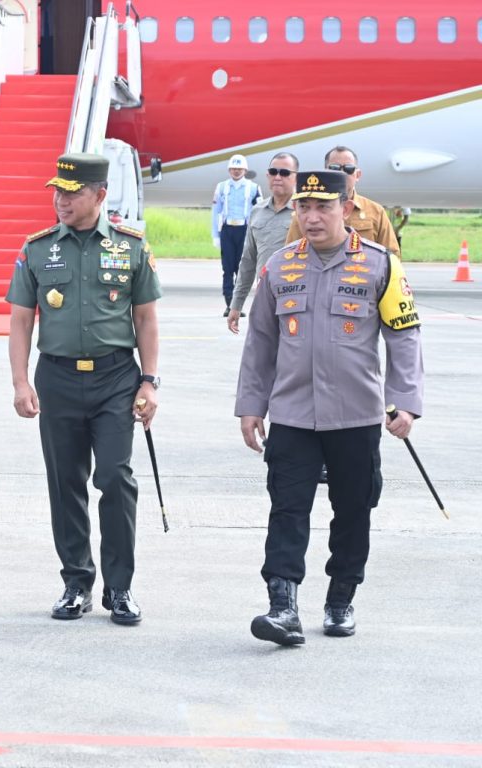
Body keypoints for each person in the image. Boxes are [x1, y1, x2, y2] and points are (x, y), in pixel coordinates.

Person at [235, 170, 423, 646]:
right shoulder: (279, 267)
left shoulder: (381, 266)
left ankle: (340, 599)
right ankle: (282, 607)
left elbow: (403, 337)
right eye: (304, 207)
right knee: (287, 509)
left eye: (323, 207)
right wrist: (251, 405)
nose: (312, 217)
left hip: (356, 417)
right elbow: (260, 343)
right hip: (293, 415)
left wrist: (405, 401)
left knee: (354, 510)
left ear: (346, 206)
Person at [6, 153, 161, 626]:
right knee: (66, 482)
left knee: (115, 478)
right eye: (57, 191)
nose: (61, 201)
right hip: (57, 377)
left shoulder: (130, 248)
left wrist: (149, 381)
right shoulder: (37, 249)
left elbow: (146, 319)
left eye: (72, 193)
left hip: (116, 378)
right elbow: (20, 319)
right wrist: (20, 381)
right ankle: (76, 582)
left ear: (99, 195)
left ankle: (120, 588)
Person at [227, 152, 299, 334]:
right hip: (265, 296)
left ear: (295, 177)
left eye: (284, 173)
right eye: (273, 171)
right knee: (263, 353)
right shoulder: (257, 211)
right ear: (267, 175)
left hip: (298, 296)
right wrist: (236, 304)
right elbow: (248, 261)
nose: (278, 177)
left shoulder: (305, 211)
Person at [285, 146, 400, 257]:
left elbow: (391, 255)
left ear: (358, 175)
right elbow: (290, 252)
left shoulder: (375, 211)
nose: (342, 173)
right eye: (334, 168)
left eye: (348, 169)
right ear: (325, 172)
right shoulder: (307, 214)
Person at [211, 154, 261, 316]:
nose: (236, 172)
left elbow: (259, 212)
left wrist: (257, 235)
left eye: (239, 169)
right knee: (227, 269)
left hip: (244, 231)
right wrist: (216, 235)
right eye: (233, 169)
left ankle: (238, 306)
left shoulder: (253, 188)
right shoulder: (221, 187)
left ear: (245, 170)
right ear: (229, 170)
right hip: (227, 230)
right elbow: (216, 212)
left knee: (242, 269)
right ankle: (228, 304)